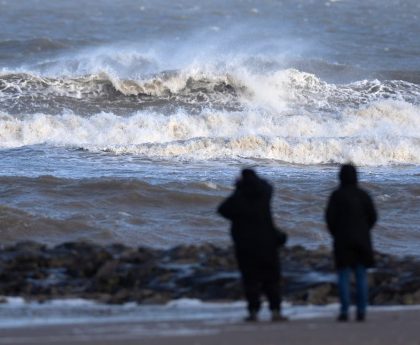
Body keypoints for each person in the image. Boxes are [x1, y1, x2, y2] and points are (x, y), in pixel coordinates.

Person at [217, 168, 287, 322]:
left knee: (250, 279)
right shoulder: (264, 195)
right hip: (267, 243)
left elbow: (222, 209)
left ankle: (253, 312)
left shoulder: (239, 198)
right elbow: (269, 186)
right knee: (271, 279)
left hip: (246, 245)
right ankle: (276, 311)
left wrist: (238, 188)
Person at [325, 164, 377, 322]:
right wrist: (364, 230)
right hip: (361, 240)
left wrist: (336, 233)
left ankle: (344, 311)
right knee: (361, 275)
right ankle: (361, 311)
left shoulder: (336, 195)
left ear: (340, 176)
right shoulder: (363, 195)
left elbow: (329, 219)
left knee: (343, 275)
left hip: (342, 240)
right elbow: (373, 217)